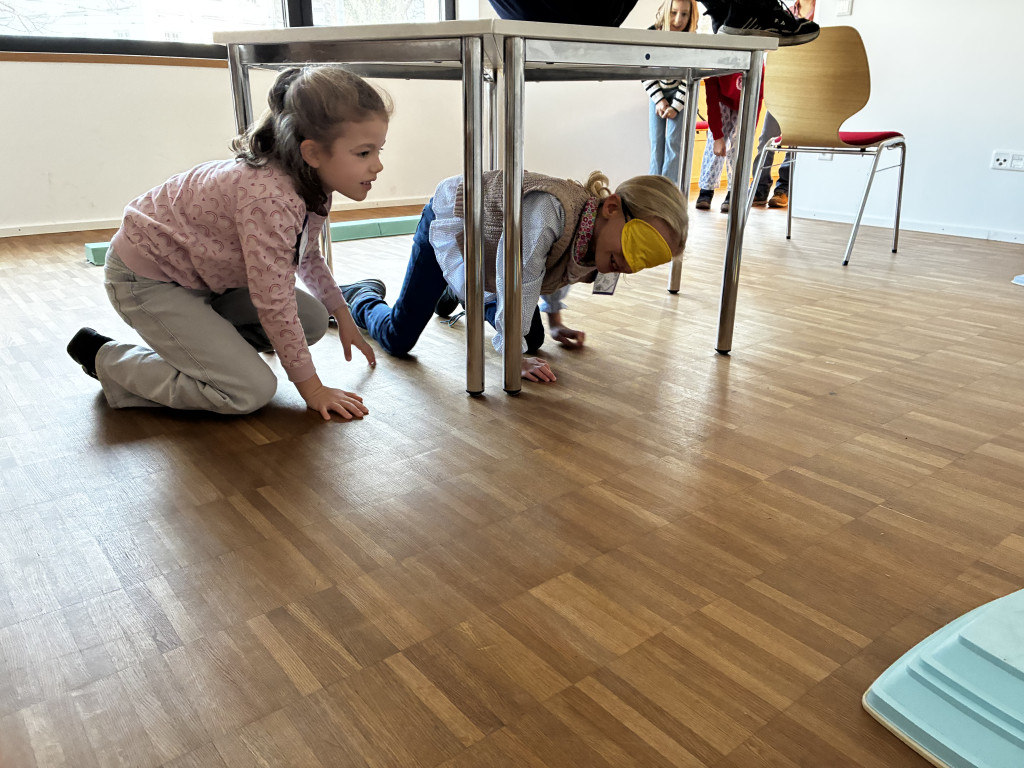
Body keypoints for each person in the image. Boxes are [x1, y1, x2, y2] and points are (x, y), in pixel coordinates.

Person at [66, 65, 390, 420]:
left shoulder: (312, 181)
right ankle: (105, 358)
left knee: (312, 320)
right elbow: (274, 301)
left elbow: (308, 255)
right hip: (147, 280)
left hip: (207, 279)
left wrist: (342, 314)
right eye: (364, 153)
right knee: (249, 391)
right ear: (312, 153)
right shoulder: (270, 198)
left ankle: (210, 354)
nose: (378, 165)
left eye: (379, 150)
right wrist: (312, 389)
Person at [340, 171, 687, 383]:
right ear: (611, 208)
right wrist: (511, 359)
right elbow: (522, 275)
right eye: (635, 246)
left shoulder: (601, 241)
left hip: (493, 258)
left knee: (531, 337)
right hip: (456, 225)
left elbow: (559, 270)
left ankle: (454, 291)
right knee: (399, 339)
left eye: (644, 263)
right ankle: (361, 296)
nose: (629, 265)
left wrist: (555, 323)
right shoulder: (551, 210)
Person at [486, 0, 818, 45]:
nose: (678, 19)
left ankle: (740, 10)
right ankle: (744, 10)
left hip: (523, 12)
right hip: (556, 11)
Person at [750, 0, 815, 207]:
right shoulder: (785, 11)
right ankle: (759, 187)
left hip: (805, 86)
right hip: (781, 83)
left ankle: (783, 188)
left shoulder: (821, 13)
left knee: (794, 140)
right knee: (766, 138)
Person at [694, 66, 764, 213]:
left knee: (738, 144)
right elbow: (712, 101)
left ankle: (734, 192)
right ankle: (706, 189)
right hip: (722, 100)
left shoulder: (758, 67)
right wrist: (717, 136)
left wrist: (750, 130)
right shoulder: (717, 65)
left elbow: (757, 99)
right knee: (715, 145)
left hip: (745, 102)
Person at [644, 0, 699, 185]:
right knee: (656, 143)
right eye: (674, 13)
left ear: (691, 16)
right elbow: (644, 71)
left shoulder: (692, 41)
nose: (678, 20)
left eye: (684, 14)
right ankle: (653, 188)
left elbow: (690, 78)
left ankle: (668, 190)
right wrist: (659, 100)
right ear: (666, 10)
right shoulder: (651, 35)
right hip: (657, 93)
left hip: (680, 94)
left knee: (673, 143)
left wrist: (676, 106)